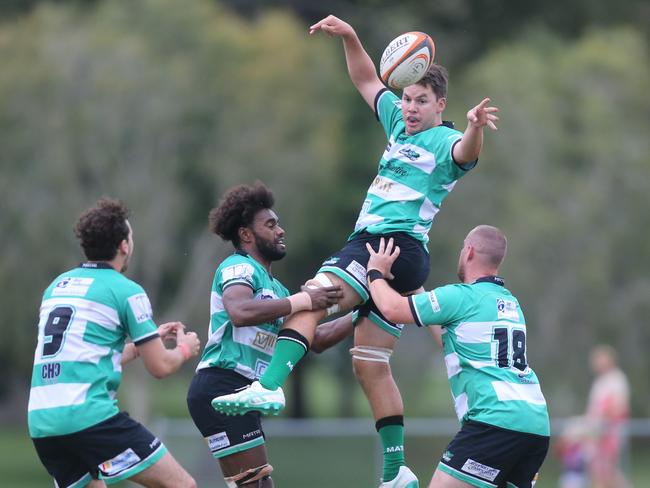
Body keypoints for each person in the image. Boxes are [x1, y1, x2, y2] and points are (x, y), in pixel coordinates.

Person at [212, 14, 499, 488]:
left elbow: (466, 153)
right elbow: (366, 78)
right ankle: (395, 472)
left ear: (439, 105)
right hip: (400, 258)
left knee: (315, 292)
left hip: (385, 245)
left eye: (421, 101)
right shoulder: (397, 125)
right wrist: (349, 37)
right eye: (407, 98)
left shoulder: (444, 138)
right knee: (371, 365)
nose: (409, 107)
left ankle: (268, 386)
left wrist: (474, 127)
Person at [186, 182, 352, 488]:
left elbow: (314, 340)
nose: (280, 231)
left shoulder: (278, 291)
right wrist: (305, 301)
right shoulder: (238, 267)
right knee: (257, 484)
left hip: (242, 392)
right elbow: (240, 310)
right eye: (271, 224)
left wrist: (360, 314)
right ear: (246, 234)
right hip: (222, 385)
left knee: (255, 484)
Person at [27, 198, 201, 488]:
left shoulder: (56, 287)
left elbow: (85, 358)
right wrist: (185, 349)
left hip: (43, 422)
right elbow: (160, 367)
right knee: (182, 485)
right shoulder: (126, 290)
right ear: (124, 245)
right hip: (89, 417)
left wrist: (150, 339)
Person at [364, 226, 550, 488]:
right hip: (535, 425)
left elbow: (392, 309)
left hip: (494, 422)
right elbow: (450, 339)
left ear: (469, 251)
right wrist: (418, 291)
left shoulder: (460, 296)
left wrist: (375, 272)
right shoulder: (510, 303)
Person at [585, 345, 630, 488]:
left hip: (609, 433)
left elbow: (619, 407)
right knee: (601, 472)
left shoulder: (617, 379)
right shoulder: (599, 382)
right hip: (597, 433)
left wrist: (602, 419)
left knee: (606, 472)